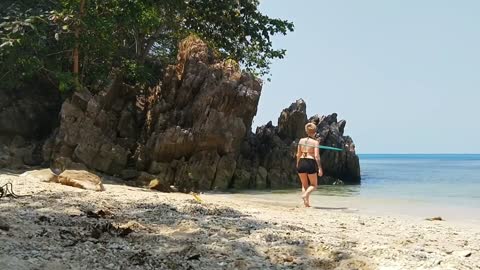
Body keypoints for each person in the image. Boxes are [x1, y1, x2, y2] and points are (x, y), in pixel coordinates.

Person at [296, 123, 323, 207]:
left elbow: (298, 154)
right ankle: (305, 195)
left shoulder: (301, 140)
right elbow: (316, 156)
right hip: (310, 162)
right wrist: (319, 168)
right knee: (314, 185)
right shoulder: (315, 142)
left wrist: (297, 163)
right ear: (314, 132)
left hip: (301, 162)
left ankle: (306, 204)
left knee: (304, 185)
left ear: (306, 131)